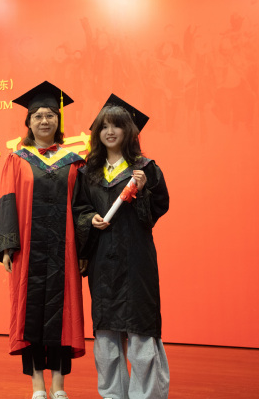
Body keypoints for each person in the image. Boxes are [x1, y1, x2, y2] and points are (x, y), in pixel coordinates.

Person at [0, 81, 86, 399]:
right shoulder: (17, 160)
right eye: (38, 116)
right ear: (29, 122)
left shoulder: (74, 162)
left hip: (64, 251)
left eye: (50, 115)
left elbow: (81, 208)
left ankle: (58, 386)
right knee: (29, 315)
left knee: (63, 315)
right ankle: (37, 387)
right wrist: (7, 246)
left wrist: (84, 250)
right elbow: (7, 201)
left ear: (58, 120)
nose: (44, 121)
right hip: (28, 252)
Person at [75, 94, 170, 399]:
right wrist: (90, 219)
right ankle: (113, 394)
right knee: (106, 332)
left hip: (136, 259)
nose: (110, 131)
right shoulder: (88, 172)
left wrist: (142, 190)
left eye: (117, 125)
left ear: (129, 130)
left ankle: (146, 395)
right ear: (97, 133)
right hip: (103, 259)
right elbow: (79, 209)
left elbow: (156, 210)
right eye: (104, 126)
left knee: (140, 329)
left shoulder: (144, 168)